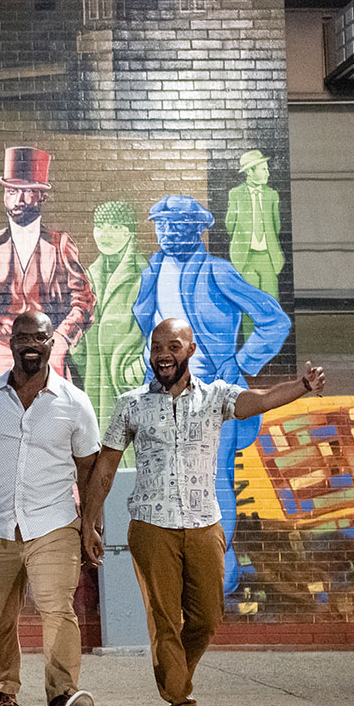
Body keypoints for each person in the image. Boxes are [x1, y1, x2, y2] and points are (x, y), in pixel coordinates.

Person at [82, 318, 327, 706]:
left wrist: (302, 386)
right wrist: (89, 520)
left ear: (190, 350)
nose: (162, 354)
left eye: (172, 346)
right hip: (150, 524)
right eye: (156, 346)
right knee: (163, 618)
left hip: (203, 523)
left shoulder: (215, 397)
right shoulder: (131, 404)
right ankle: (183, 705)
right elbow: (105, 467)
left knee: (208, 616)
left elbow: (262, 400)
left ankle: (174, 675)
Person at [0, 310, 100, 706]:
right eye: (22, 337)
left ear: (52, 343)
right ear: (10, 342)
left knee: (58, 610)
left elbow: (89, 470)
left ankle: (62, 697)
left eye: (39, 337)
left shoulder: (74, 402)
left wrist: (91, 525)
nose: (30, 344)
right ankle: (4, 691)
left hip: (54, 524)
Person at [132, 195, 292, 593]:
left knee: (214, 482)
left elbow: (274, 320)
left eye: (176, 226)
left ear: (195, 229)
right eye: (161, 225)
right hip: (162, 399)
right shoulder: (154, 269)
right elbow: (145, 321)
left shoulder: (217, 272)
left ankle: (222, 571)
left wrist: (240, 363)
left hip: (210, 402)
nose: (166, 233)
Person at [0, 146, 95, 392]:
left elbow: (84, 302)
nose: (19, 199)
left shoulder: (60, 245)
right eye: (12, 191)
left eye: (28, 192)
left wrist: (62, 341)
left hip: (45, 358)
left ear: (42, 196)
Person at [71, 201, 150, 446]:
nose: (106, 234)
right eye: (100, 226)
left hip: (127, 380)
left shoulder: (144, 272)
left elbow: (156, 326)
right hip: (94, 379)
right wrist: (79, 352)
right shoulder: (89, 275)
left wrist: (138, 366)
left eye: (116, 226)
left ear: (130, 232)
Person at [224, 150, 283, 299]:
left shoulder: (271, 195)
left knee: (271, 301)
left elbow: (276, 225)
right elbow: (230, 224)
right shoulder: (236, 194)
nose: (268, 173)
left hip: (268, 257)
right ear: (250, 171)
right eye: (264, 169)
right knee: (249, 303)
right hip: (245, 258)